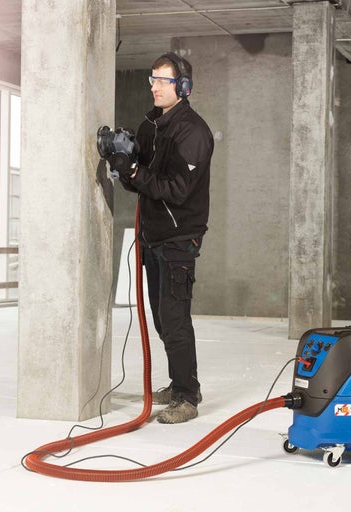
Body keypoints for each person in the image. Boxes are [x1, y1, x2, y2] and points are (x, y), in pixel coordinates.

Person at [107, 53, 213, 424]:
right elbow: (145, 180)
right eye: (153, 79)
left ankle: (187, 396)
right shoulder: (152, 125)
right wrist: (125, 159)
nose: (154, 86)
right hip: (154, 236)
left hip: (180, 238)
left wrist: (133, 170)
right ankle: (179, 382)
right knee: (162, 318)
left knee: (175, 317)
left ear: (182, 88)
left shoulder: (193, 132)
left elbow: (177, 189)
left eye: (163, 81)